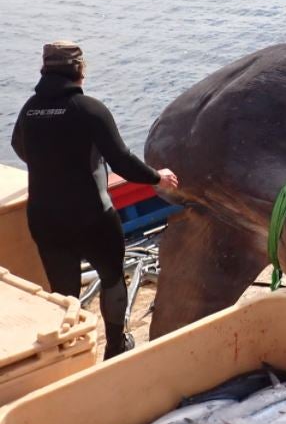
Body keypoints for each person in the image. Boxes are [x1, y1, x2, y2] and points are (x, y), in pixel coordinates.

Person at [11, 41, 179, 360]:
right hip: (92, 216)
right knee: (112, 277)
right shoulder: (89, 110)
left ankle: (69, 353)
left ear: (44, 71)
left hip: (45, 218)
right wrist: (158, 177)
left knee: (63, 291)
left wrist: (52, 166)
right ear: (80, 71)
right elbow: (122, 161)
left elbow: (20, 146)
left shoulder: (29, 110)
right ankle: (115, 346)